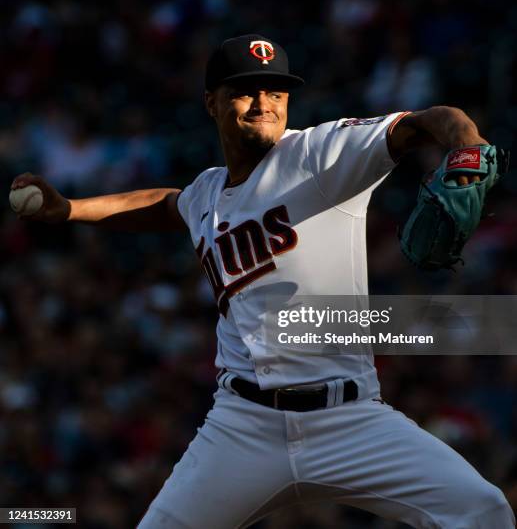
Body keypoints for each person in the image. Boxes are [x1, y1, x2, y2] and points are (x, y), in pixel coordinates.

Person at [12, 34, 515, 529]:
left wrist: (469, 151)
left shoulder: (320, 154)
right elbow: (162, 205)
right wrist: (70, 209)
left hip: (350, 418)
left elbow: (433, 121)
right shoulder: (206, 193)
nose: (263, 104)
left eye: (276, 92)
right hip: (241, 426)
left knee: (482, 510)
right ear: (212, 102)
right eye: (246, 91)